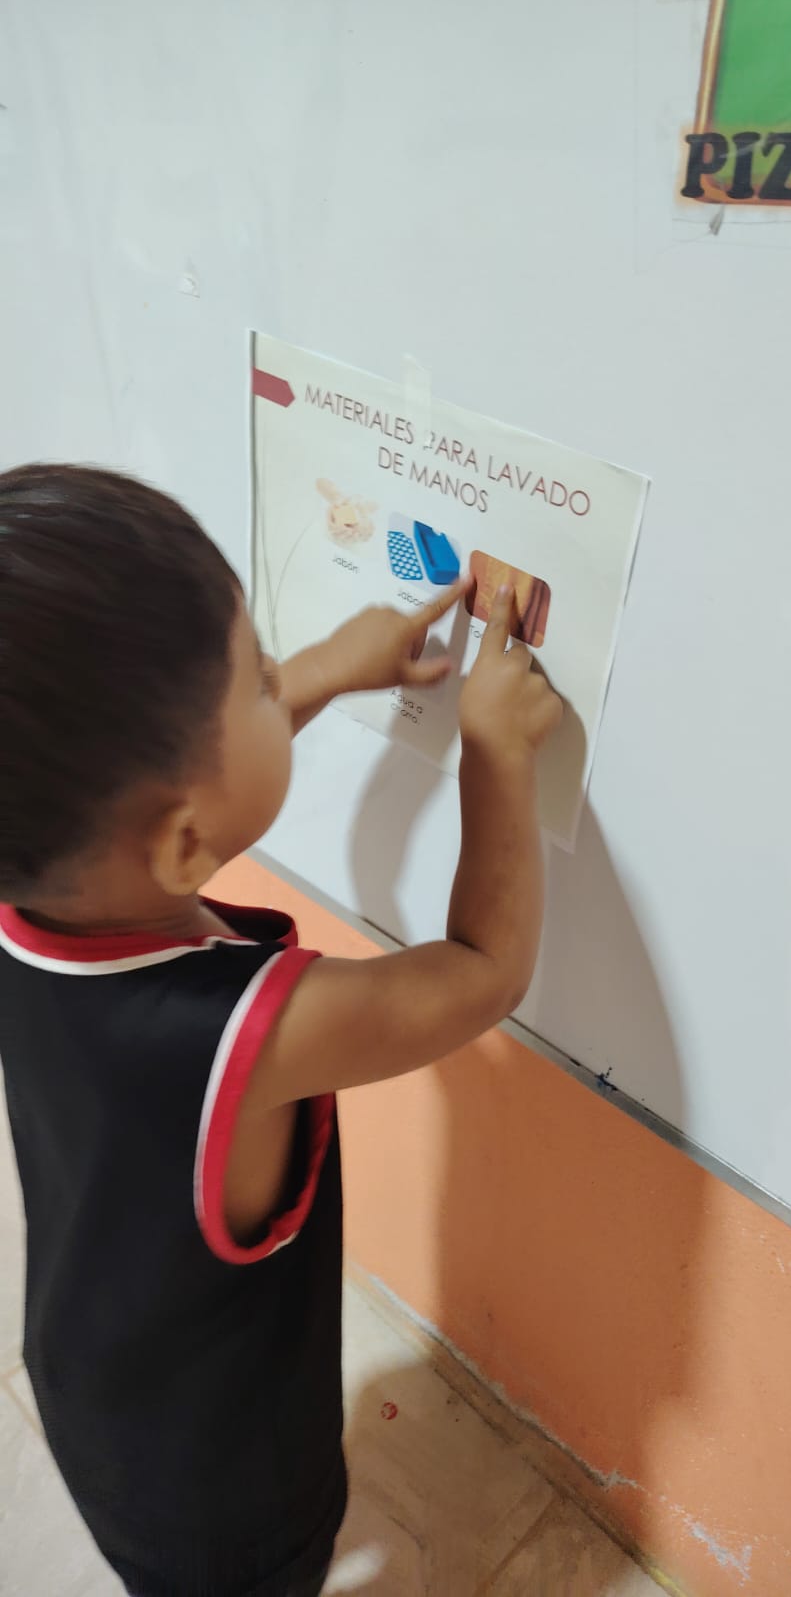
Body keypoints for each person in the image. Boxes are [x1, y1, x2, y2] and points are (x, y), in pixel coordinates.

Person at [0, 464, 562, 1597]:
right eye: (258, 679)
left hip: (92, 1389)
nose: (277, 681)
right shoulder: (246, 1032)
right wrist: (497, 754)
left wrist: (318, 672)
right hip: (232, 1497)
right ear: (180, 842)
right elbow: (481, 972)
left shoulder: (31, 898)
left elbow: (196, 808)